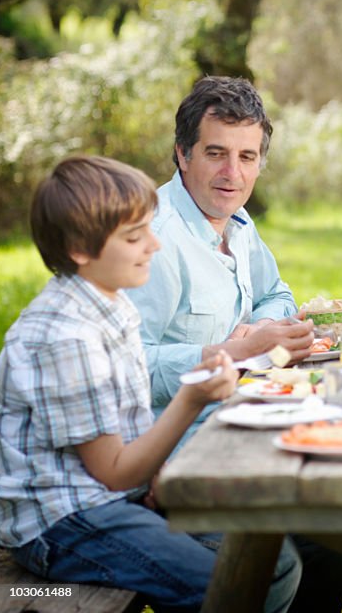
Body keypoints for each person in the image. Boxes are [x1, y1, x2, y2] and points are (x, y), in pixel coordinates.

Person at [0, 155, 301, 613]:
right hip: (64, 524)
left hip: (110, 496)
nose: (155, 245)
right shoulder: (66, 335)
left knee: (275, 561)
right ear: (81, 249)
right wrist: (192, 395)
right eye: (135, 236)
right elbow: (114, 471)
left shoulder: (109, 304)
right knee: (235, 581)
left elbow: (122, 427)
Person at [127, 76, 314, 437]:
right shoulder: (156, 240)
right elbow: (126, 366)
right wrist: (234, 353)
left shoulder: (237, 222)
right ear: (183, 153)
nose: (233, 174)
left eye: (247, 157)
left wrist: (260, 328)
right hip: (169, 437)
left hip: (238, 410)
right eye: (216, 154)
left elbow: (277, 295)